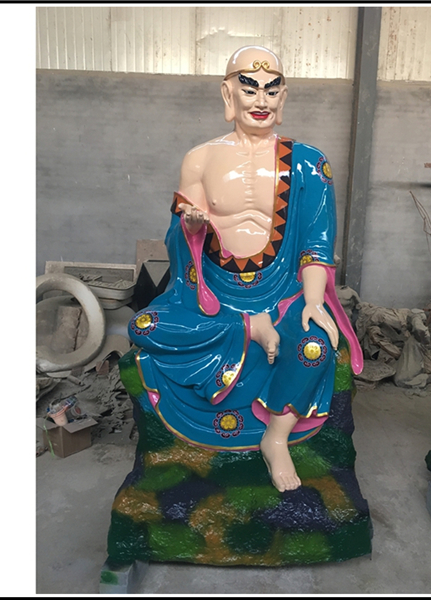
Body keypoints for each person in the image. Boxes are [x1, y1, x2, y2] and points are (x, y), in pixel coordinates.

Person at [129, 46, 363, 492]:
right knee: (144, 326)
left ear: (283, 97)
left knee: (315, 345)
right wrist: (191, 229)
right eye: (250, 89)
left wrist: (314, 301)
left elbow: (316, 245)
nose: (261, 101)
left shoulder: (310, 164)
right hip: (214, 297)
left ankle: (276, 437)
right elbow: (180, 243)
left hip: (283, 295)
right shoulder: (200, 159)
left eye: (272, 91)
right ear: (228, 94)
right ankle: (248, 328)